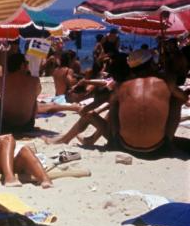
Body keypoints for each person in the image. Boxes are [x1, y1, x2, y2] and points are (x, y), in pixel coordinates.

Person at [48, 50, 187, 152]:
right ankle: (169, 140)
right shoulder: (165, 82)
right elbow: (184, 99)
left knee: (113, 102)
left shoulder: (122, 86)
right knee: (176, 101)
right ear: (151, 64)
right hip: (158, 146)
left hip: (123, 144)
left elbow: (94, 107)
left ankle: (66, 139)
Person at [0, 52, 41, 134]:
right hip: (27, 125)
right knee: (34, 97)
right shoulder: (35, 80)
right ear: (21, 65)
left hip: (6, 125)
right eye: (26, 63)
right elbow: (38, 92)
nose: (28, 66)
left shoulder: (1, 80)